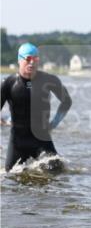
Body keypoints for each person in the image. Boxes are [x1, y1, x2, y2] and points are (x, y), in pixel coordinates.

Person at [1, 43, 72, 171]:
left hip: (42, 140)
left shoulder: (49, 80)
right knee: (9, 176)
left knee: (58, 170)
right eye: (28, 59)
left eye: (35, 59)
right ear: (19, 59)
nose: (32, 63)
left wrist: (53, 124)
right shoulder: (8, 83)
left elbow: (67, 101)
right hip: (18, 142)